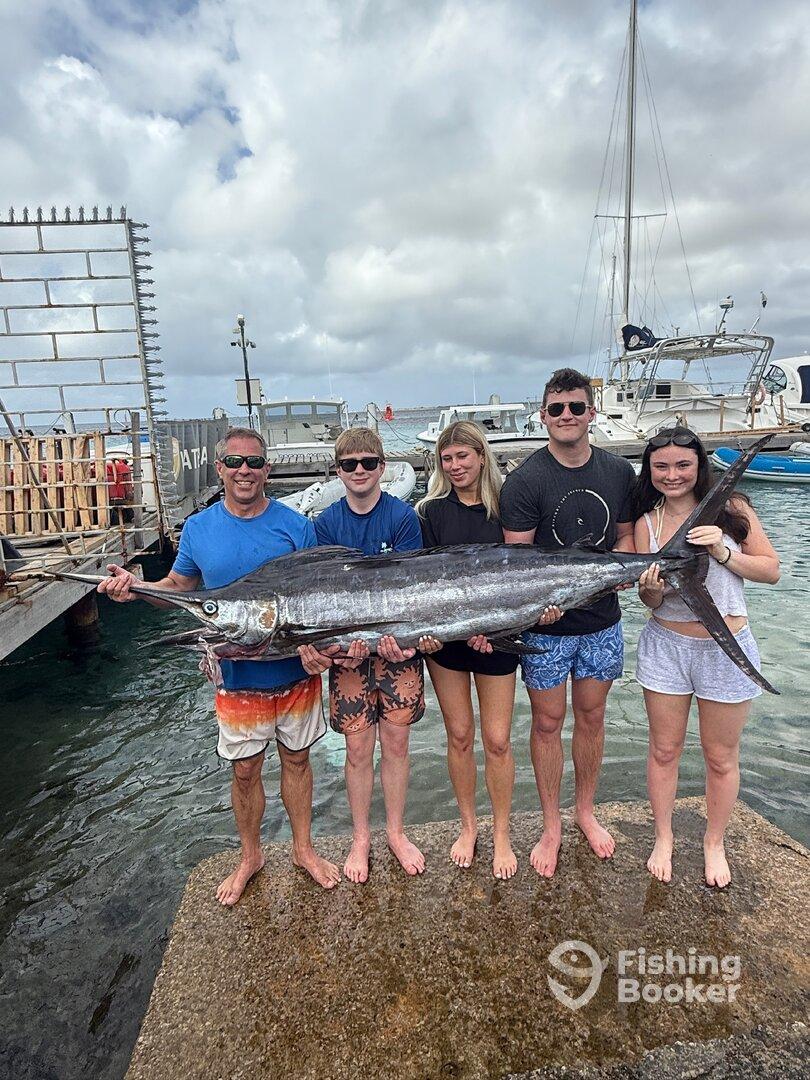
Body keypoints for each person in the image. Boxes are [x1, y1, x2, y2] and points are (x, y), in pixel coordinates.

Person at [97, 427, 341, 904]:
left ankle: (303, 849)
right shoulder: (198, 528)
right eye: (234, 462)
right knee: (245, 771)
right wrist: (138, 588)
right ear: (220, 469)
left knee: (298, 760)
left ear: (267, 469)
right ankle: (250, 856)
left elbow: (321, 601)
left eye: (253, 462)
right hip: (235, 678)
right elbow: (181, 590)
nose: (244, 471)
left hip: (296, 671)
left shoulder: (296, 526)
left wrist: (327, 652)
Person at [499, 368, 636, 878]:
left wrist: (618, 574)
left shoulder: (619, 472)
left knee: (593, 717)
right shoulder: (526, 480)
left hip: (602, 620)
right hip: (547, 628)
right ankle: (552, 823)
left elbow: (625, 538)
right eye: (557, 409)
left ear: (591, 412)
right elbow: (518, 565)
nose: (566, 417)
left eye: (576, 407)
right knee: (547, 722)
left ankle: (585, 811)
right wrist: (541, 606)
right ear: (543, 415)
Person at [633, 427, 780, 887]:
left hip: (726, 646)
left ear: (699, 465)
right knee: (663, 750)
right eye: (661, 466)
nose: (672, 475)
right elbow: (652, 602)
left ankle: (714, 842)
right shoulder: (647, 523)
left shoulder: (734, 510)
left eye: (682, 465)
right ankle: (664, 837)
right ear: (649, 470)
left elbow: (771, 571)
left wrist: (721, 550)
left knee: (721, 757)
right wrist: (650, 592)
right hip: (666, 647)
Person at [298, 428, 437, 884]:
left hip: (398, 645)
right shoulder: (325, 524)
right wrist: (332, 648)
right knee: (357, 749)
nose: (359, 471)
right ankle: (361, 836)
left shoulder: (403, 517)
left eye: (368, 463)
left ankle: (395, 832)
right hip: (346, 654)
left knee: (396, 744)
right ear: (337, 471)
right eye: (349, 464)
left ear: (382, 466)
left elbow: (410, 586)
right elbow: (321, 593)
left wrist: (411, 639)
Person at [417, 421, 523, 879]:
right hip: (446, 645)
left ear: (482, 457)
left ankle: (501, 831)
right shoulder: (429, 512)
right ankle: (468, 825)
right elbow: (419, 585)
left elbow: (524, 581)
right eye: (447, 458)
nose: (456, 466)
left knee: (497, 740)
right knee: (459, 736)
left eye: (464, 456)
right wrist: (429, 635)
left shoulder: (508, 510)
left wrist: (494, 628)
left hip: (497, 639)